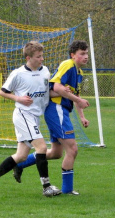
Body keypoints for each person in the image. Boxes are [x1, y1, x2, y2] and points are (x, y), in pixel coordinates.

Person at [0, 41, 62, 197]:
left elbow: (46, 93)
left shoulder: (45, 71)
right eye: (38, 57)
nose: (42, 59)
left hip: (35, 117)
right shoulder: (18, 73)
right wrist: (19, 98)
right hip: (23, 115)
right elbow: (2, 92)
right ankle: (47, 187)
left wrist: (66, 94)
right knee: (42, 148)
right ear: (28, 57)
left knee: (22, 156)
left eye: (42, 56)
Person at [12, 40, 90, 195]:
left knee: (56, 153)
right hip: (56, 109)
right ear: (73, 55)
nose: (86, 56)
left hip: (61, 111)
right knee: (72, 149)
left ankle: (20, 164)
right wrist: (78, 101)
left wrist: (82, 116)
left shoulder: (79, 73)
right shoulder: (68, 65)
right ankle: (67, 190)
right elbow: (56, 87)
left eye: (86, 53)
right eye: (82, 53)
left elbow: (75, 95)